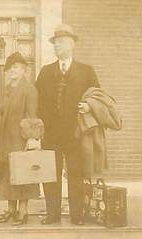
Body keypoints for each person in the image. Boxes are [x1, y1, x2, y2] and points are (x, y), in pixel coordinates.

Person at [36, 24, 100, 225]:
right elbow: (37, 102)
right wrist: (39, 131)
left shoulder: (86, 71)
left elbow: (98, 97)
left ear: (72, 44)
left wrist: (89, 106)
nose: (57, 46)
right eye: (55, 42)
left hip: (75, 133)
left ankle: (77, 215)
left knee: (76, 174)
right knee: (50, 175)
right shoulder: (46, 72)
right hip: (51, 134)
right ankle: (52, 214)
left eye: (61, 42)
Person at [0, 52, 43, 225]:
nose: (11, 71)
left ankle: (23, 211)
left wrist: (32, 139)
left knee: (23, 174)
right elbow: (4, 113)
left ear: (23, 70)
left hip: (20, 140)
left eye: (15, 68)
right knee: (7, 176)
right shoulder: (7, 89)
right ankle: (11, 209)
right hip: (6, 140)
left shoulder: (29, 89)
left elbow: (32, 115)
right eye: (9, 68)